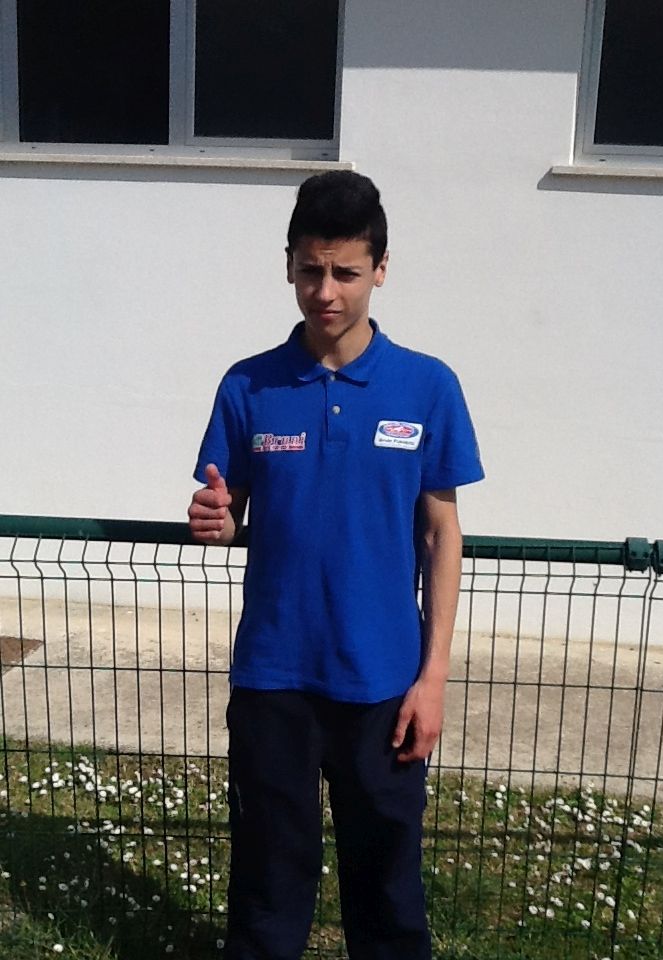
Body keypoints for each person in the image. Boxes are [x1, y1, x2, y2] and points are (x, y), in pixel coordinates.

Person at [188, 170, 483, 960]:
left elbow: (442, 534)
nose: (326, 292)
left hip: (384, 682)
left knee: (387, 887)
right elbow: (226, 507)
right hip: (273, 678)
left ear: (380, 269)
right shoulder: (248, 384)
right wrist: (215, 518)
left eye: (346, 272)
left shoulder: (428, 386)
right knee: (267, 882)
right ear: (288, 265)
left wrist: (432, 678)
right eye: (311, 270)